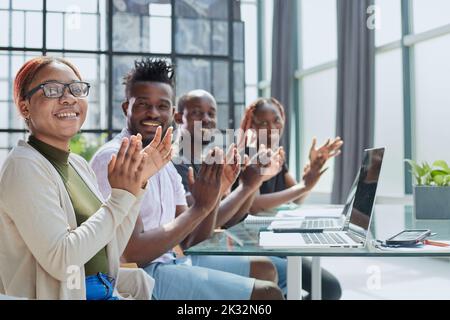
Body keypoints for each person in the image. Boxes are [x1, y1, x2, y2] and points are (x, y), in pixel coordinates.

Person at [90, 58, 284, 300]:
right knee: (267, 295)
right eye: (142, 105)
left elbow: (193, 240)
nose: (153, 113)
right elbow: (134, 253)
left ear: (172, 113)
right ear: (125, 108)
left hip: (171, 260)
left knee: (264, 268)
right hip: (136, 275)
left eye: (161, 106)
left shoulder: (165, 162)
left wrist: (214, 195)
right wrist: (203, 206)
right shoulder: (115, 157)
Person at [0, 56, 169, 300]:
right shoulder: (24, 167)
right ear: (25, 106)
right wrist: (120, 198)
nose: (68, 97)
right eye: (52, 90)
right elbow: (62, 259)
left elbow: (111, 248)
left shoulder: (78, 164)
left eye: (76, 89)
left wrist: (135, 186)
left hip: (105, 290)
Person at [174, 91, 342, 299]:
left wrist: (309, 178)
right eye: (262, 123)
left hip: (255, 238)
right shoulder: (243, 155)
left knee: (321, 286)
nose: (270, 128)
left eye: (276, 120)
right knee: (325, 287)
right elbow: (247, 208)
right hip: (244, 242)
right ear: (250, 126)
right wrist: (299, 186)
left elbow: (216, 213)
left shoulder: (209, 160)